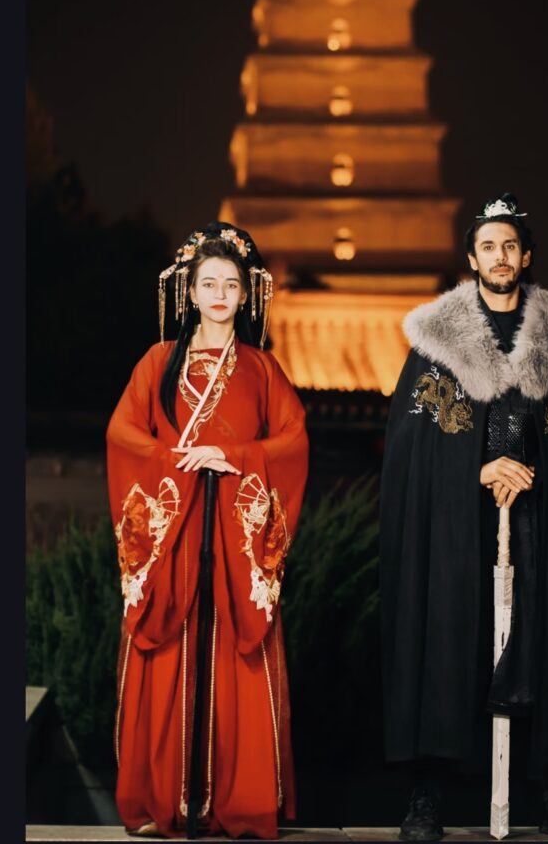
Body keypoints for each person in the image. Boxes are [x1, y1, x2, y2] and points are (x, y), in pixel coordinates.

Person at [380, 194, 548, 842]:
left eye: (510, 245)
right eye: (488, 246)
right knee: (448, 638)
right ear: (472, 258)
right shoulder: (437, 342)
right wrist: (476, 469)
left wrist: (533, 469)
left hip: (539, 514)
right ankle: (428, 793)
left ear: (526, 256)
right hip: (458, 523)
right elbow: (411, 445)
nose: (500, 256)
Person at [107, 220, 308, 839]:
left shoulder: (263, 369)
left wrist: (235, 457)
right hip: (174, 528)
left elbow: (293, 442)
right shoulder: (156, 362)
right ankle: (163, 800)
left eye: (231, 285)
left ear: (246, 295)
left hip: (233, 533)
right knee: (167, 648)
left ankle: (235, 803)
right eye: (209, 284)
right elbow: (123, 435)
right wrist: (177, 462)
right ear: (189, 292)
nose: (220, 295)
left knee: (234, 653)